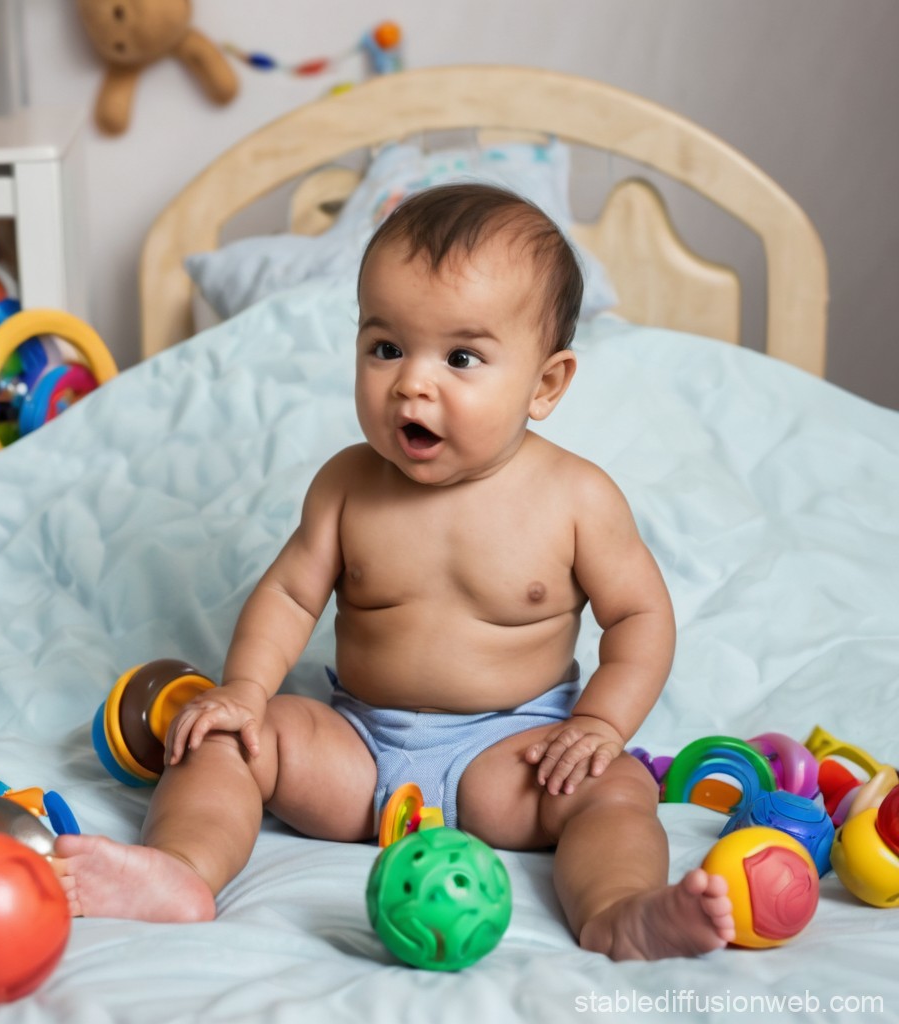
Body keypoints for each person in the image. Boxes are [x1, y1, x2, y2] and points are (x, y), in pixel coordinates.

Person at [54, 183, 735, 960]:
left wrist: (598, 726)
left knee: (617, 791)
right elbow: (287, 593)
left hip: (513, 756)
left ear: (545, 385)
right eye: (385, 348)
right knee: (228, 740)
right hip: (356, 746)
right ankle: (180, 871)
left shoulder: (577, 499)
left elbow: (642, 618)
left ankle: (621, 911)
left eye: (462, 357)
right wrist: (245, 690)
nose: (413, 382)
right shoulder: (346, 485)